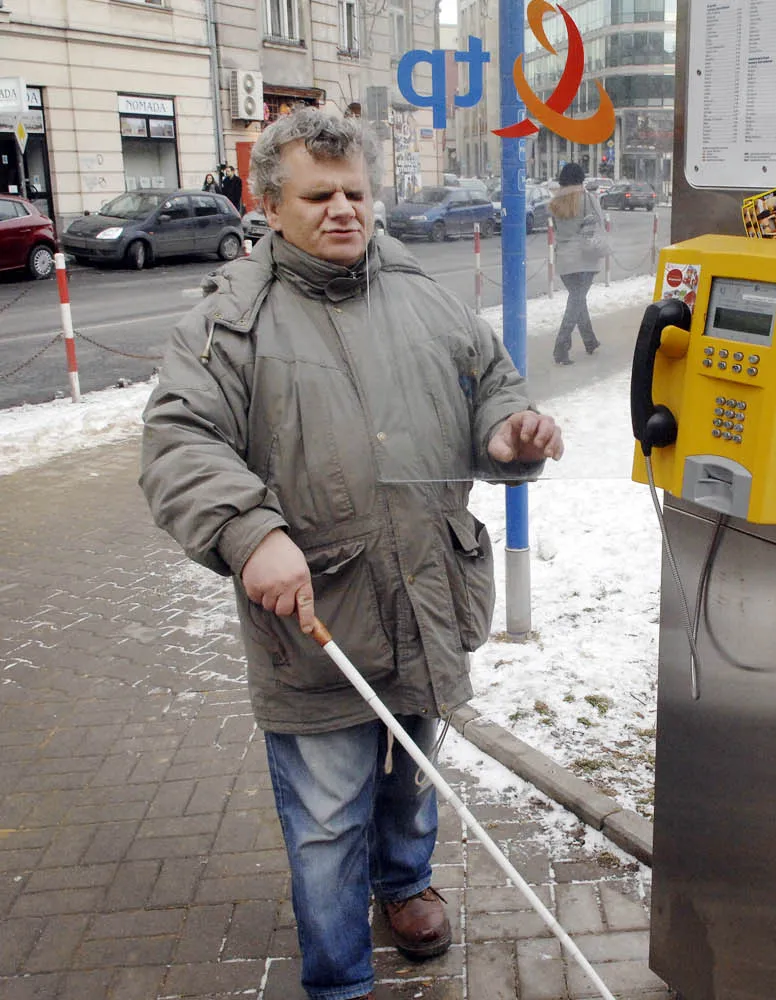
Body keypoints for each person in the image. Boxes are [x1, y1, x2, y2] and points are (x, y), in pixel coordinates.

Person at [140, 108, 563, 1000]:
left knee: (410, 773)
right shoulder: (230, 321)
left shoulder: (421, 289)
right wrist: (250, 533)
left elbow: (491, 382)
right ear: (269, 205)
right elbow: (179, 442)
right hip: (316, 617)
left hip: (428, 593)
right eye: (319, 194)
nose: (344, 210)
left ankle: (404, 885)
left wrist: (509, 432)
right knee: (328, 818)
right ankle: (338, 980)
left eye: (358, 193)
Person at [549, 162, 606, 365]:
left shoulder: (555, 201)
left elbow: (557, 229)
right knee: (575, 302)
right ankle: (561, 347)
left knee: (577, 299)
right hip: (584, 258)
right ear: (581, 178)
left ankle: (590, 341)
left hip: (563, 258)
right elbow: (597, 224)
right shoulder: (588, 199)